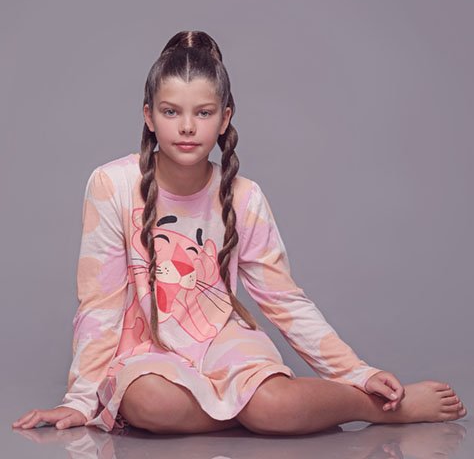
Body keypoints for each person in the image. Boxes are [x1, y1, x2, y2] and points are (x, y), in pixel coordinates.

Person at [12, 31, 467, 435]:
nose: (187, 126)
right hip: (146, 349)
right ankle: (258, 413)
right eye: (171, 111)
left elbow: (284, 299)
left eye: (203, 112)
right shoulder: (112, 184)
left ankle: (375, 409)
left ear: (225, 117)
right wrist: (80, 399)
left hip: (221, 341)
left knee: (274, 403)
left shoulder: (244, 196)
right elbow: (100, 302)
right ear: (148, 116)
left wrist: (357, 372)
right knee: (150, 403)